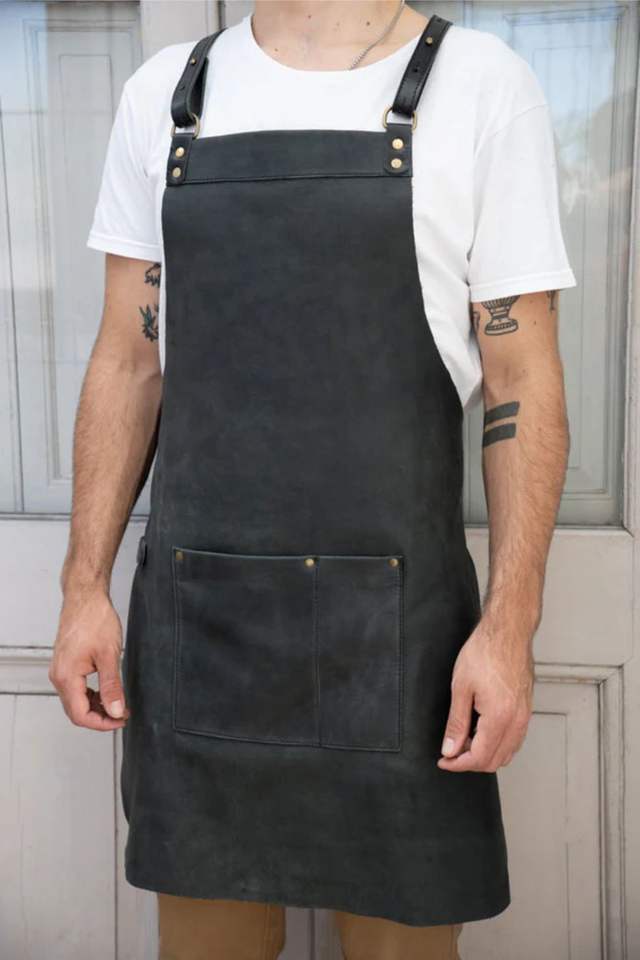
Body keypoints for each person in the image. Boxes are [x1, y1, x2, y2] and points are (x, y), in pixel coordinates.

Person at [49, 2, 576, 958]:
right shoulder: (168, 95)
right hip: (204, 634)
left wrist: (510, 628)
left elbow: (522, 381)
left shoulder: (480, 86)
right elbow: (128, 359)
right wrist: (82, 587)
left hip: (402, 647)